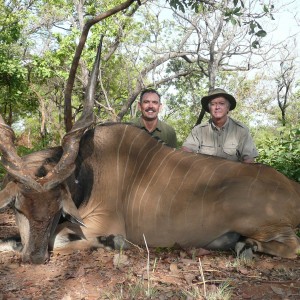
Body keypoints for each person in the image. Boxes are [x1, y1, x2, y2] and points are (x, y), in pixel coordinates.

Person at [182, 88, 258, 163]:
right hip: (206, 173)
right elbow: (186, 151)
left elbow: (249, 160)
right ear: (209, 109)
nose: (217, 107)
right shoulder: (199, 130)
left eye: (221, 103)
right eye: (213, 104)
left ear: (228, 108)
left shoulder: (241, 130)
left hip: (233, 174)